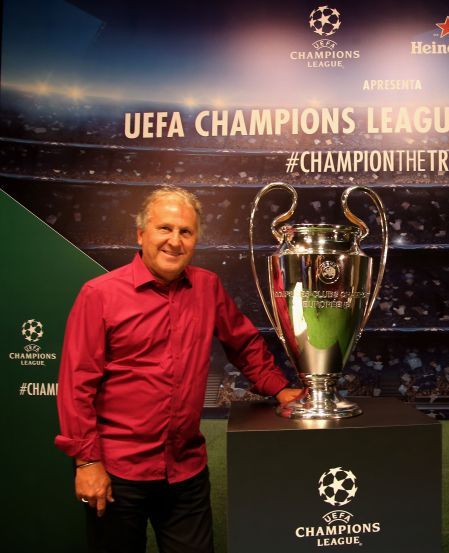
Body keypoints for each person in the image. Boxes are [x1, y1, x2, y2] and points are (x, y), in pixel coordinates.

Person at [55, 185, 303, 553]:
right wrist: (87, 461)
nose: (175, 241)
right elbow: (77, 385)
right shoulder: (99, 294)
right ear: (141, 235)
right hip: (118, 472)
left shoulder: (208, 287)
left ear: (195, 239)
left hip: (185, 469)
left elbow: (244, 343)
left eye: (185, 232)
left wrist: (280, 388)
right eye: (164, 228)